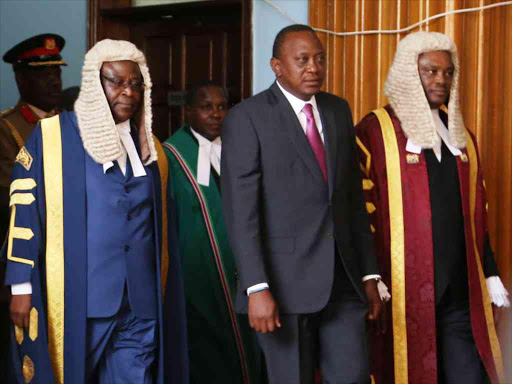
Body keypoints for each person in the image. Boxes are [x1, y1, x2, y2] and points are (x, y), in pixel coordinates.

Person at [2, 39, 188, 384]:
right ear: (94, 84)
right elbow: (24, 212)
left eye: (135, 83)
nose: (128, 92)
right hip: (80, 298)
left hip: (140, 300)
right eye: (116, 81)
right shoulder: (53, 138)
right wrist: (19, 286)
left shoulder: (153, 150)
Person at [221, 24, 385, 384]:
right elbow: (241, 212)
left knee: (353, 376)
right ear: (277, 66)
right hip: (281, 287)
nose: (314, 68)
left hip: (343, 283)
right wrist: (256, 288)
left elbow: (352, 200)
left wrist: (370, 274)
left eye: (320, 59)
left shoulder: (338, 110)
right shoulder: (246, 118)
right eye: (302, 60)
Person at [355, 31, 509, 384]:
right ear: (410, 72)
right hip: (402, 292)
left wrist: (490, 273)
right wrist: (370, 276)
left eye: (448, 72)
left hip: (460, 289)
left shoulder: (461, 135)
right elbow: (359, 215)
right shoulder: (374, 131)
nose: (441, 79)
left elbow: (477, 213)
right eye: (430, 71)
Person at [163, 82, 263, 384]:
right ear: (189, 111)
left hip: (244, 271)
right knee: (208, 354)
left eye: (222, 106)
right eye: (207, 107)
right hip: (198, 275)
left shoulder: (238, 146)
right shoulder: (171, 156)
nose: (216, 114)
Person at [0, 33, 66, 383]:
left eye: (57, 74)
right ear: (21, 79)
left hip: (69, 266)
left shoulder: (70, 124)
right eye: (44, 75)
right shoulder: (7, 129)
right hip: (25, 265)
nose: (55, 82)